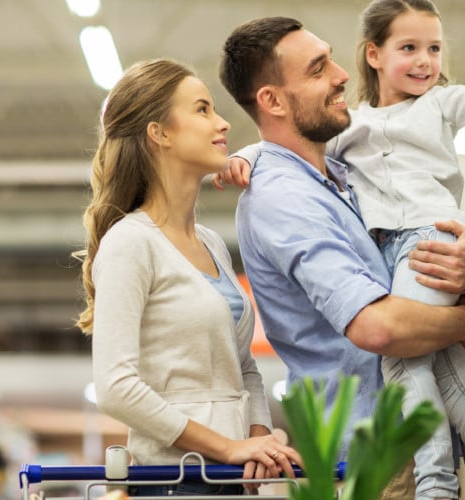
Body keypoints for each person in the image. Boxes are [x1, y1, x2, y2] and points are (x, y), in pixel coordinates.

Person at [218, 1, 465, 498]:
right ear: (271, 100)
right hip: (377, 448)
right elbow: (380, 330)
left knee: (458, 387)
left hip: (395, 423)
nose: (340, 74)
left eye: (434, 48)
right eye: (318, 68)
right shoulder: (284, 194)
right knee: (427, 372)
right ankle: (459, 485)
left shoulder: (340, 172)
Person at [73, 58, 301, 497]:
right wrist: (228, 447)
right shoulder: (130, 243)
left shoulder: (211, 243)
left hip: (231, 482)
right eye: (202, 109)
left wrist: (258, 442)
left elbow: (244, 368)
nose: (222, 123)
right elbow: (115, 389)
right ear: (159, 133)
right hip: (175, 482)